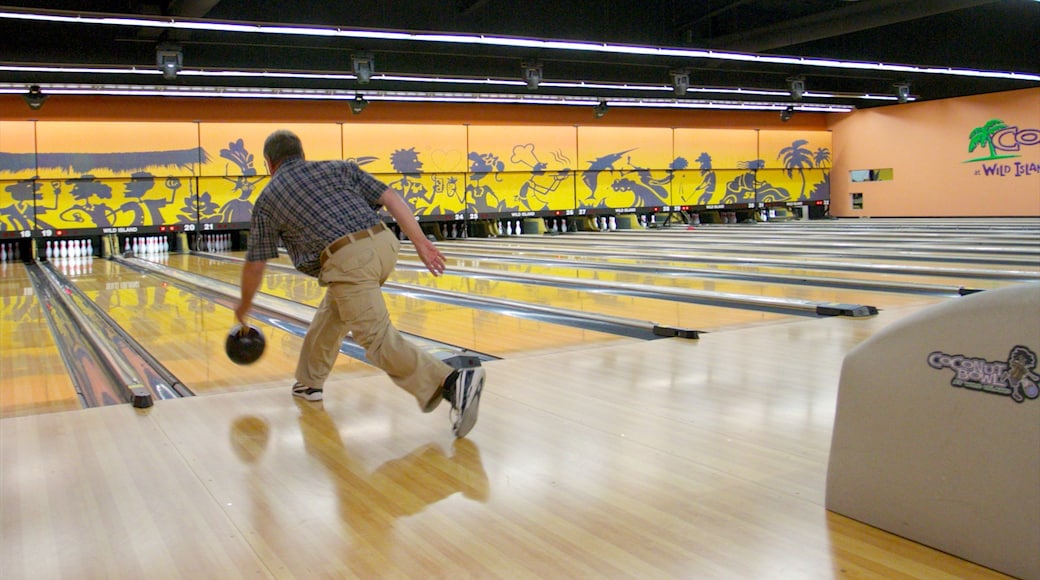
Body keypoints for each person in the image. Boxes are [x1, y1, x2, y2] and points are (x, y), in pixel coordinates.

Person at [235, 129, 485, 438]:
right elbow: (390, 196)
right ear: (302, 153)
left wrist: (243, 308)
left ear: (269, 164)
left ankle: (452, 382)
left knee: (376, 340)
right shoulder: (339, 167)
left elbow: (256, 263)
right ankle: (309, 382)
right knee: (334, 312)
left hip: (347, 259)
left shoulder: (268, 198)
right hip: (384, 243)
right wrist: (421, 242)